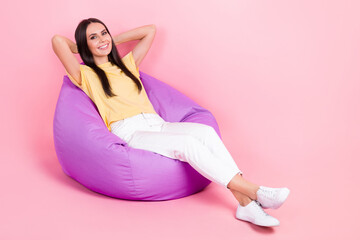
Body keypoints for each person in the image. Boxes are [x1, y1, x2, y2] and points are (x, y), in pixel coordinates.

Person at [52, 17, 290, 227]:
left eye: (103, 32)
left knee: (205, 133)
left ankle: (245, 204)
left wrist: (110, 40)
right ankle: (255, 191)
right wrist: (79, 46)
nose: (101, 39)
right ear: (85, 45)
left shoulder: (126, 65)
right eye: (93, 37)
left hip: (158, 123)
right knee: (187, 143)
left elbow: (150, 30)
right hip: (131, 131)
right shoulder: (85, 75)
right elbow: (57, 41)